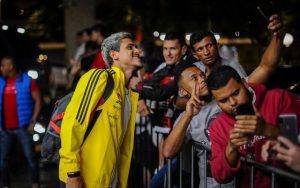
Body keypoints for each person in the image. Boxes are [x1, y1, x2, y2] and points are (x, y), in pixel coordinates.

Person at [163, 13, 284, 188]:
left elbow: (265, 68)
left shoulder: (227, 93)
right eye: (194, 78)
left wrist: (277, 36)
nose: (202, 79)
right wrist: (188, 114)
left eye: (202, 76)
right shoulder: (189, 115)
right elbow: (168, 151)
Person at [59, 32, 141, 188]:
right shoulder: (99, 77)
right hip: (84, 180)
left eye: (136, 47)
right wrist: (72, 173)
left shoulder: (128, 94)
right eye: (130, 47)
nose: (137, 51)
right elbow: (72, 124)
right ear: (114, 54)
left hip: (109, 180)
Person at [206, 66, 300, 188]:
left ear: (245, 84)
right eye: (223, 100)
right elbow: (220, 176)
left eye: (236, 93)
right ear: (216, 101)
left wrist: (266, 129)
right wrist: (231, 147)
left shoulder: (278, 99)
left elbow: (296, 141)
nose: (233, 102)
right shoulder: (218, 126)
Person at [0, 56, 41, 188]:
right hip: (5, 129)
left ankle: (35, 184)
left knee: (31, 158)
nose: (1, 68)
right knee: (3, 160)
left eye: (3, 65)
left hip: (23, 127)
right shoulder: (1, 82)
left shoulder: (26, 81)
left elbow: (38, 100)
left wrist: (33, 120)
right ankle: (6, 185)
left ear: (10, 66)